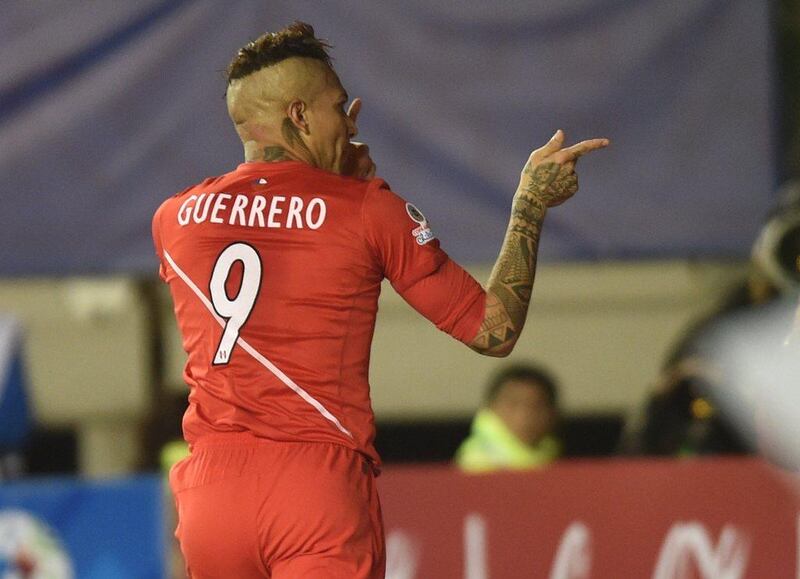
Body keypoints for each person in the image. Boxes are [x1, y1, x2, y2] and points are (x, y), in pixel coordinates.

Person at [151, 22, 609, 579]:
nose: (349, 123)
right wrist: (529, 206)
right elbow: (493, 329)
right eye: (339, 108)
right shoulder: (367, 210)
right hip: (312, 486)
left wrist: (330, 173)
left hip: (210, 497)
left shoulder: (175, 218)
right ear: (299, 116)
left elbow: (273, 230)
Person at [455, 364, 562, 472]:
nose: (525, 415)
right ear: (491, 407)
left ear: (553, 413)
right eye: (513, 404)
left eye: (537, 406)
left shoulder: (552, 453)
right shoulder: (475, 462)